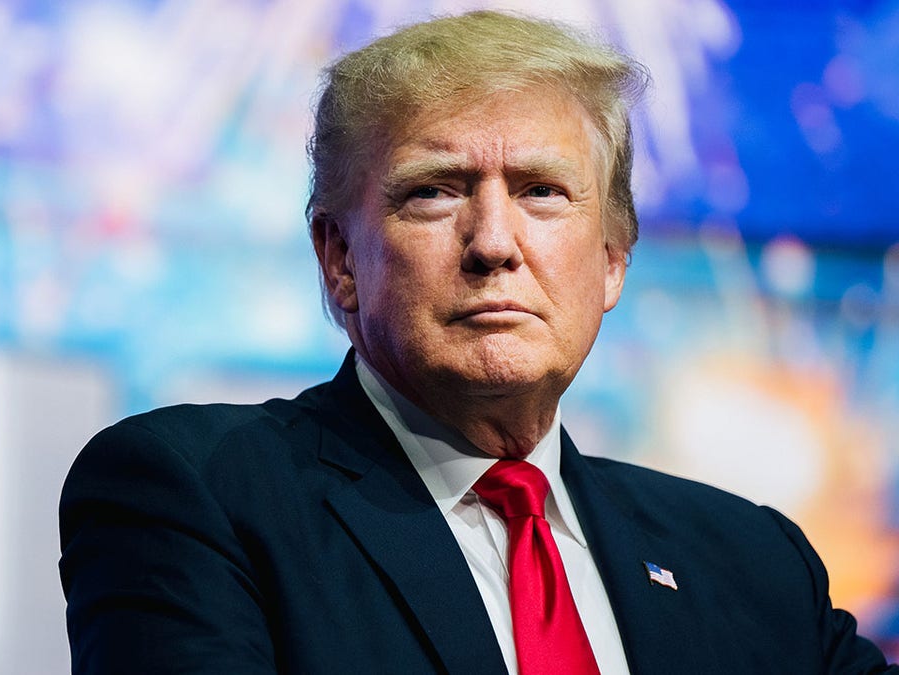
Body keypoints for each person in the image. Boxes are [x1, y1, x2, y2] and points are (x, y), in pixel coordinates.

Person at [58, 10, 897, 674]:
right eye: (434, 192)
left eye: (541, 190)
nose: (494, 241)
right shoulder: (197, 493)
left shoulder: (752, 561)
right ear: (340, 258)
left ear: (612, 261)